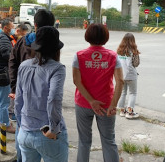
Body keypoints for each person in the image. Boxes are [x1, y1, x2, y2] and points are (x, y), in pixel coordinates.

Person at [15, 26, 68, 162]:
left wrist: (21, 123)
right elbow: (54, 99)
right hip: (46, 134)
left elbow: (18, 99)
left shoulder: (24, 65)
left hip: (25, 133)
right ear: (56, 49)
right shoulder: (57, 68)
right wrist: (54, 129)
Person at [72, 23, 124, 162]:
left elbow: (77, 81)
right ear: (106, 38)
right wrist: (114, 104)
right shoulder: (113, 56)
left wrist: (91, 101)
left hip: (83, 103)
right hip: (106, 104)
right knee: (108, 141)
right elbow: (120, 81)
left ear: (87, 36)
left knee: (83, 141)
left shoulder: (79, 56)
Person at [9, 9, 55, 162]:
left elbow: (12, 62)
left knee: (22, 125)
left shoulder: (22, 41)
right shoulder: (53, 42)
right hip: (43, 95)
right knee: (44, 126)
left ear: (34, 24)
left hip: (22, 92)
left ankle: (22, 157)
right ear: (52, 25)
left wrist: (15, 88)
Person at [0, 19, 15, 134]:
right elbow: (7, 54)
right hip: (4, 73)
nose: (13, 28)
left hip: (1, 72)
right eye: (12, 26)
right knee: (4, 102)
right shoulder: (4, 39)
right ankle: (5, 124)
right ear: (6, 28)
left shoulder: (1, 37)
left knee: (1, 99)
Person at [116, 33, 141, 119]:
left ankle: (122, 111)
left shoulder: (119, 51)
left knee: (123, 92)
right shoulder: (134, 51)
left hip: (121, 75)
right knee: (132, 93)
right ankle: (130, 112)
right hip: (131, 75)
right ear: (133, 41)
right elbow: (136, 64)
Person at [8, 23, 29, 121]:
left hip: (18, 74)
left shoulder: (20, 41)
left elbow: (12, 62)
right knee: (16, 94)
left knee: (17, 94)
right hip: (19, 75)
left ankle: (14, 113)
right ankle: (13, 113)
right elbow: (12, 61)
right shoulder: (13, 40)